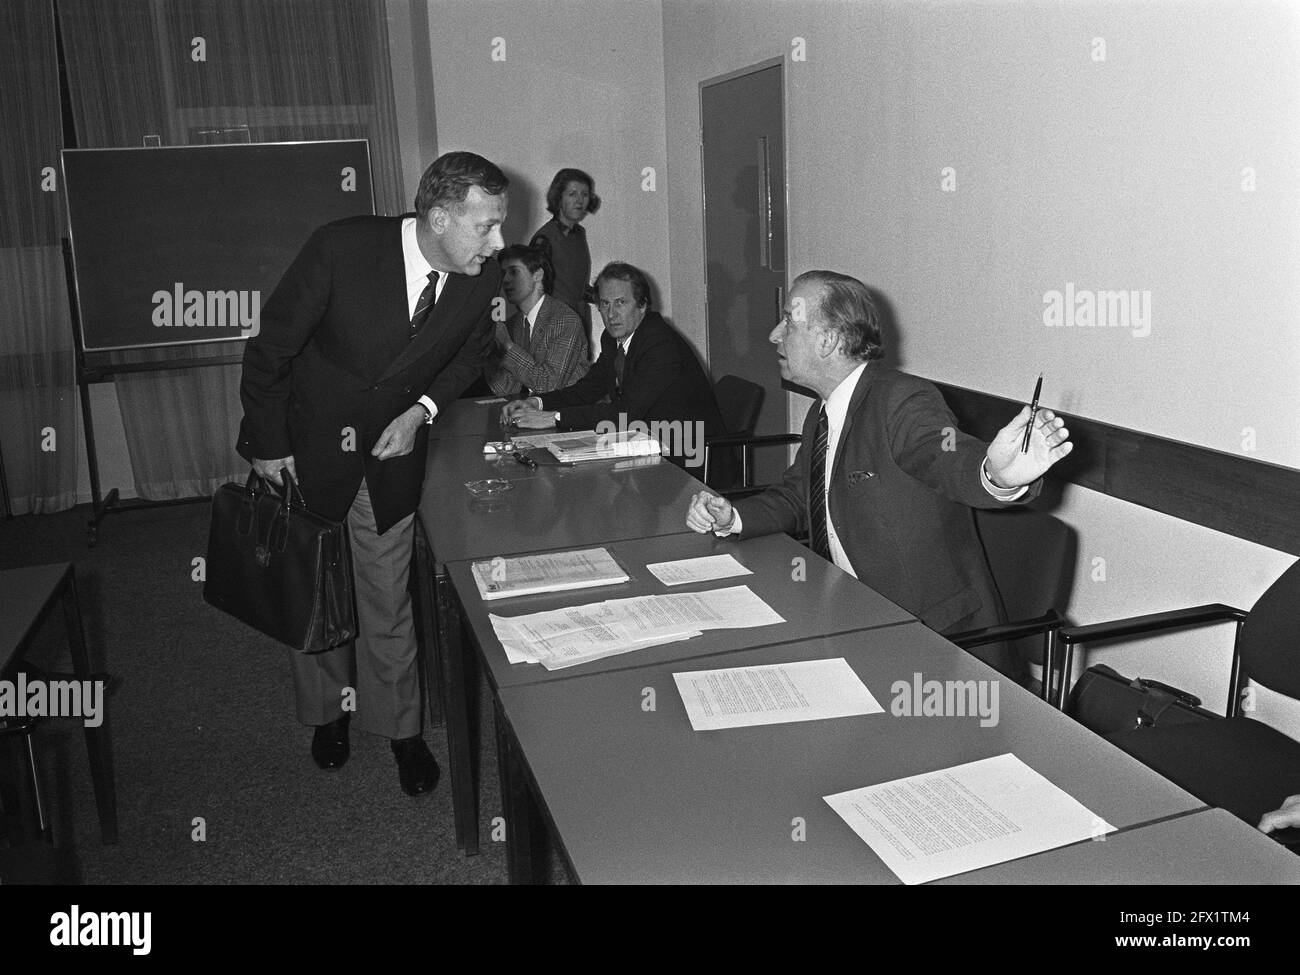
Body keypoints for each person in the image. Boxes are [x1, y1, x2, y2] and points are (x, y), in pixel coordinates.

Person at [236, 151, 507, 796]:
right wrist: (267, 445)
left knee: (388, 601)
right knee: (318, 595)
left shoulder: (479, 279)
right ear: (439, 218)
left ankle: (401, 729)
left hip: (390, 459)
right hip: (310, 455)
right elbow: (270, 347)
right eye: (486, 226)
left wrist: (422, 410)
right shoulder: (340, 248)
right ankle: (328, 716)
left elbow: (468, 358)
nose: (498, 243)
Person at [685, 270, 1073, 681]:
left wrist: (997, 474)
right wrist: (734, 517)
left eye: (789, 321)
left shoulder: (902, 400)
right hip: (850, 617)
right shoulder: (823, 412)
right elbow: (800, 494)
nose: (774, 334)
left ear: (829, 340)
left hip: (935, 647)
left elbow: (946, 457)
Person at [501, 262, 727, 478]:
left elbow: (628, 412)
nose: (611, 314)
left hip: (688, 457)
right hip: (649, 444)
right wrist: (537, 403)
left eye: (621, 303)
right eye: (605, 304)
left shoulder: (660, 343)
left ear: (642, 306)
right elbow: (587, 390)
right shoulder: (613, 339)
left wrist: (554, 418)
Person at [484, 238, 588, 398]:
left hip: (571, 415)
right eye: (503, 273)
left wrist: (506, 346)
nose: (505, 280)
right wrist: (486, 352)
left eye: (514, 272)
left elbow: (549, 386)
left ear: (537, 274)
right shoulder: (514, 324)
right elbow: (505, 389)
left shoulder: (564, 320)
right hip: (534, 415)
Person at [530, 168, 599, 346]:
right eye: (572, 193)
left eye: (584, 194)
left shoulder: (579, 234)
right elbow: (534, 291)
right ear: (559, 198)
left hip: (581, 322)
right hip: (555, 328)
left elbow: (577, 285)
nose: (579, 200)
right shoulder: (544, 238)